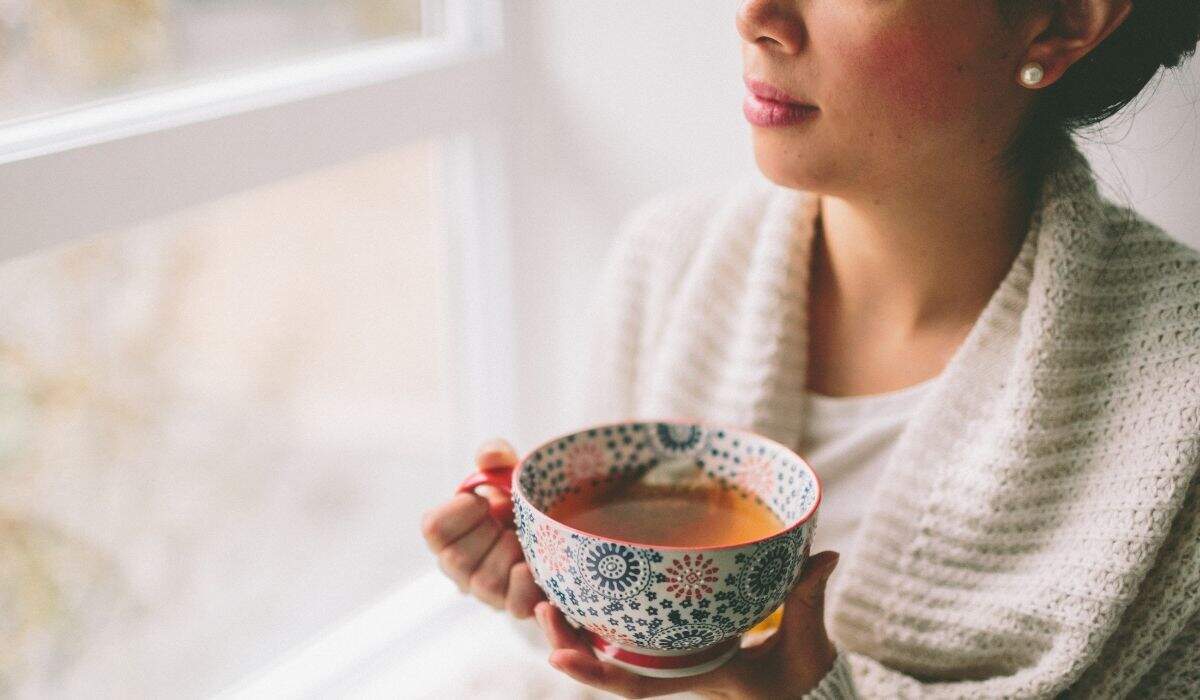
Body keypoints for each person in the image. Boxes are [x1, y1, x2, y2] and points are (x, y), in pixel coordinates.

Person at [422, 1, 1200, 697]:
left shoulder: (1179, 406)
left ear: (1062, 21)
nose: (754, 16)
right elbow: (616, 659)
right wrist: (554, 583)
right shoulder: (668, 261)